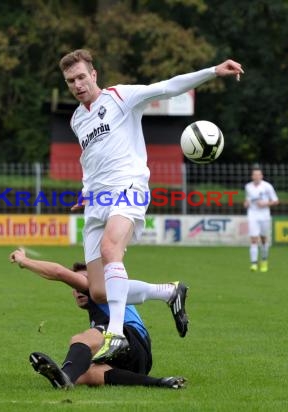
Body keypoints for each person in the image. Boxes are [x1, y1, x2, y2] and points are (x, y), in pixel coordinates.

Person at [59, 49, 244, 361]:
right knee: (99, 290)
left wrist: (213, 70)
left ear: (94, 75)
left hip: (128, 187)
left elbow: (167, 87)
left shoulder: (120, 97)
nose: (77, 84)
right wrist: (85, 191)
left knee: (110, 251)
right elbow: (91, 161)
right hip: (97, 200)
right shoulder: (78, 119)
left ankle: (115, 334)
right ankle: (168, 292)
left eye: (81, 77)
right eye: (70, 81)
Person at [9, 248, 186, 390]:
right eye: (77, 283)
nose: (80, 287)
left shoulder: (100, 287)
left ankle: (64, 375)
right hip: (139, 361)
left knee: (81, 339)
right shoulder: (104, 299)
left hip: (130, 339)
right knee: (86, 374)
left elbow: (58, 272)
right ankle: (161, 382)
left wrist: (23, 261)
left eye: (82, 280)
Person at [244, 167, 279, 272]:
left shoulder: (267, 186)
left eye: (258, 175)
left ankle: (264, 260)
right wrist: (246, 203)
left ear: (261, 176)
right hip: (252, 215)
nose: (256, 176)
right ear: (252, 176)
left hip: (264, 215)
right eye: (254, 175)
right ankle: (253, 263)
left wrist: (265, 203)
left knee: (264, 239)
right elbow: (247, 199)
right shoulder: (248, 186)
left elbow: (276, 201)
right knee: (254, 239)